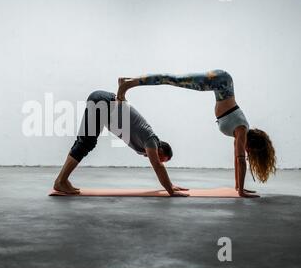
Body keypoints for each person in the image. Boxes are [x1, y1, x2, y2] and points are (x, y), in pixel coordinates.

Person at [116, 69, 276, 198]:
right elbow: (241, 161)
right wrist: (241, 192)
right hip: (221, 81)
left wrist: (238, 187)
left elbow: (237, 160)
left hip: (221, 85)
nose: (247, 153)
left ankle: (128, 81)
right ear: (252, 144)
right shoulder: (242, 130)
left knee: (172, 79)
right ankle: (127, 85)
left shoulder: (239, 133)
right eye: (251, 151)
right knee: (172, 79)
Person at [53, 90, 189, 197]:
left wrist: (169, 185)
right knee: (85, 143)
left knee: (85, 142)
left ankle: (62, 181)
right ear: (160, 148)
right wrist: (170, 189)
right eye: (160, 157)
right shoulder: (151, 139)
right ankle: (61, 181)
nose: (154, 159)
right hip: (104, 101)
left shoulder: (145, 142)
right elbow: (158, 167)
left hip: (102, 102)